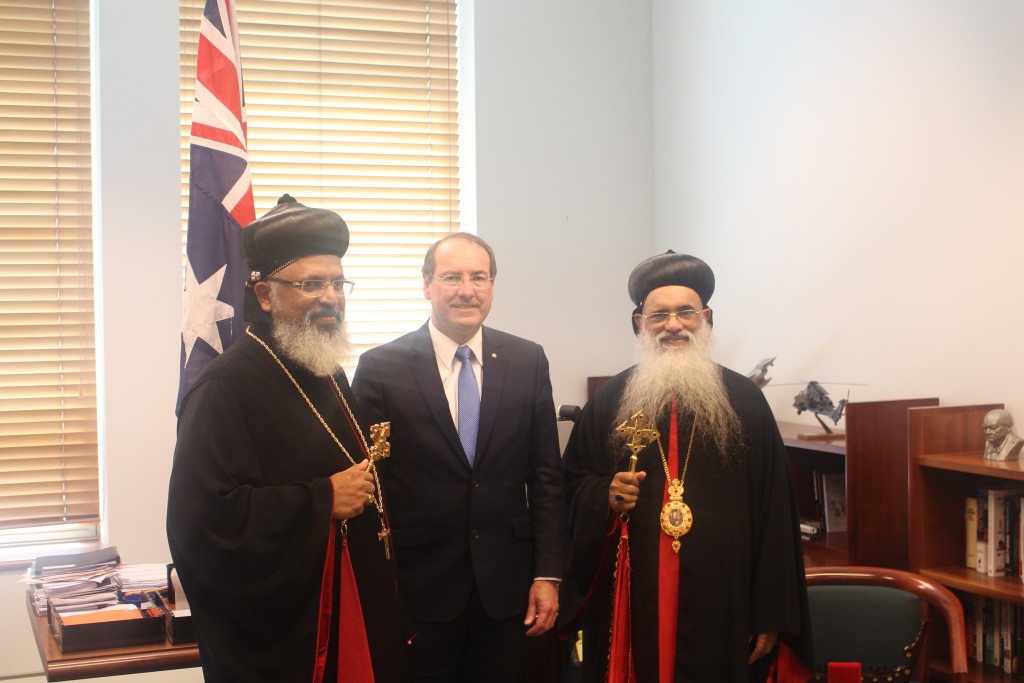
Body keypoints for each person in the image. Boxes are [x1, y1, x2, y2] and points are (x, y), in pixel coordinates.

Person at [167, 195, 410, 682]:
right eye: (310, 284)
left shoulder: (326, 372)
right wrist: (320, 501)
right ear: (263, 295)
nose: (331, 297)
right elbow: (202, 526)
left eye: (338, 283)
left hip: (354, 609)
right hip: (290, 643)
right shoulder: (224, 388)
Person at [561, 251, 811, 683]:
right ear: (639, 322)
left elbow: (776, 517)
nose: (673, 325)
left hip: (725, 596)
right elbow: (570, 486)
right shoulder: (609, 400)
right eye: (659, 315)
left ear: (706, 318)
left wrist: (771, 611)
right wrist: (603, 495)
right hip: (635, 590)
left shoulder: (746, 401)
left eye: (685, 313)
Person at [352, 232, 566, 682]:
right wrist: (380, 583)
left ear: (492, 285)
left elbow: (545, 476)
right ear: (427, 285)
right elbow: (373, 488)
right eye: (452, 277)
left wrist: (548, 575)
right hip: (419, 589)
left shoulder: (528, 361)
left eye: (479, 277)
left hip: (507, 590)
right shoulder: (380, 368)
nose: (467, 289)